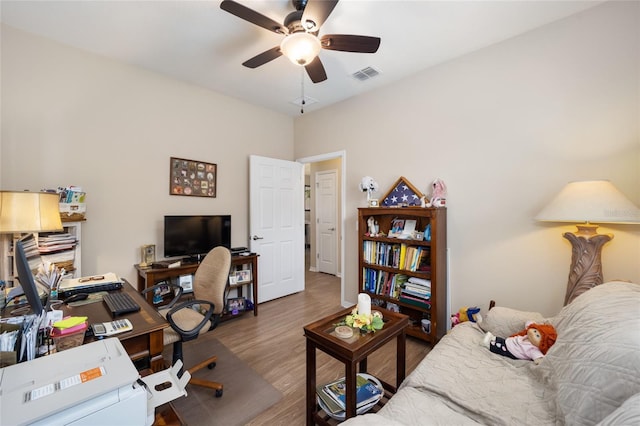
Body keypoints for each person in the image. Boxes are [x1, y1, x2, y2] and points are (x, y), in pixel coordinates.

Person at [482, 321, 557, 364]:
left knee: (500, 348)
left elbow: (539, 358)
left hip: (511, 352)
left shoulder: (533, 349)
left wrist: (539, 360)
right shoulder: (527, 336)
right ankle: (493, 338)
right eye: (534, 331)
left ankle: (489, 345)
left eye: (537, 336)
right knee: (502, 340)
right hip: (508, 342)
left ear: (542, 344)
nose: (533, 334)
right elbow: (529, 323)